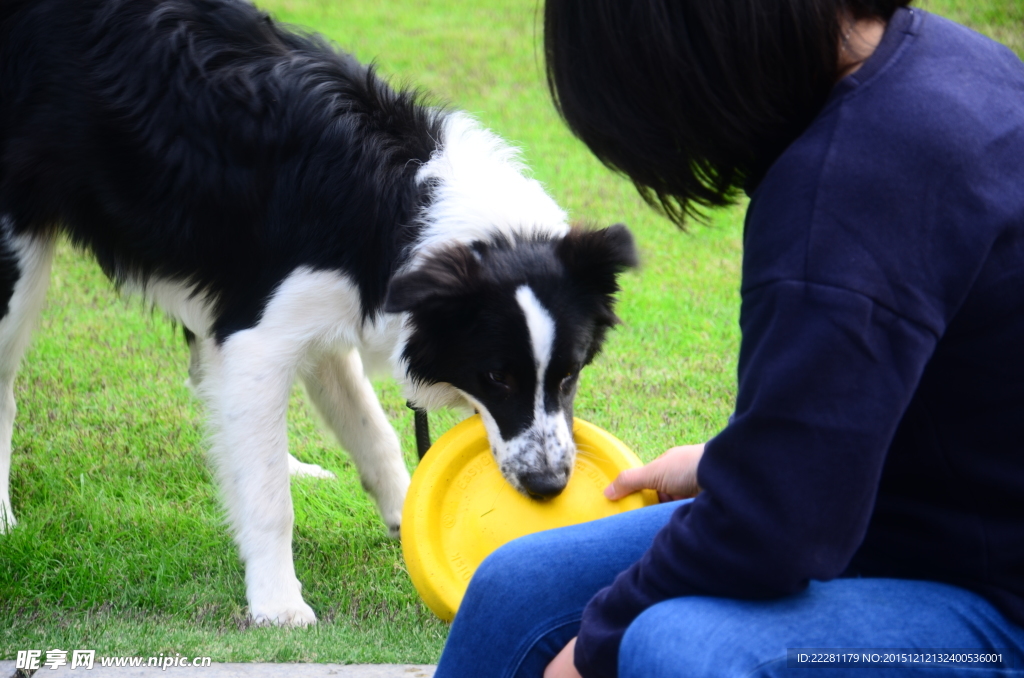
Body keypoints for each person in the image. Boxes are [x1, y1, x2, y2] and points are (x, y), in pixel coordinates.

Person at [432, 0, 1024, 676]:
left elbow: (778, 530)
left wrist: (591, 652)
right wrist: (739, 462)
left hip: (995, 609)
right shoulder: (948, 61)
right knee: (519, 586)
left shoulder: (840, 190)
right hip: (908, 526)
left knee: (678, 648)